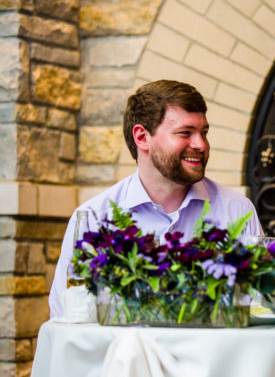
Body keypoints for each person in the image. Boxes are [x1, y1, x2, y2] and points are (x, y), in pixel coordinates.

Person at [49, 79, 263, 318]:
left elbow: (261, 310)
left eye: (203, 133)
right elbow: (68, 318)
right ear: (142, 137)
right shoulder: (93, 220)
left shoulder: (237, 211)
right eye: (185, 133)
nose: (201, 144)